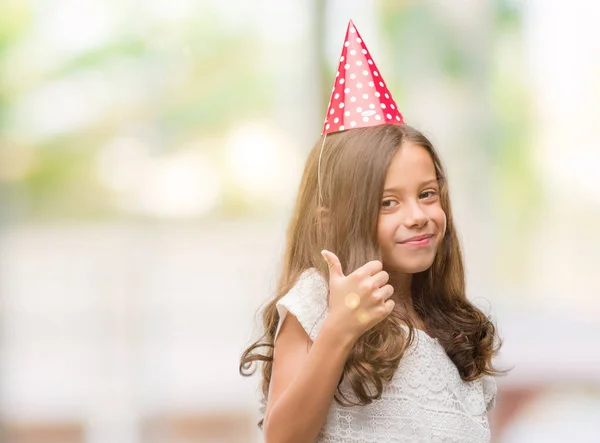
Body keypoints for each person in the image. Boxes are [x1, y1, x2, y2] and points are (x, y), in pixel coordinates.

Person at [240, 19, 504, 443]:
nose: (418, 215)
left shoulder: (449, 329)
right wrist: (339, 329)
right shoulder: (318, 302)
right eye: (388, 203)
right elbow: (282, 438)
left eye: (428, 194)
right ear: (333, 219)